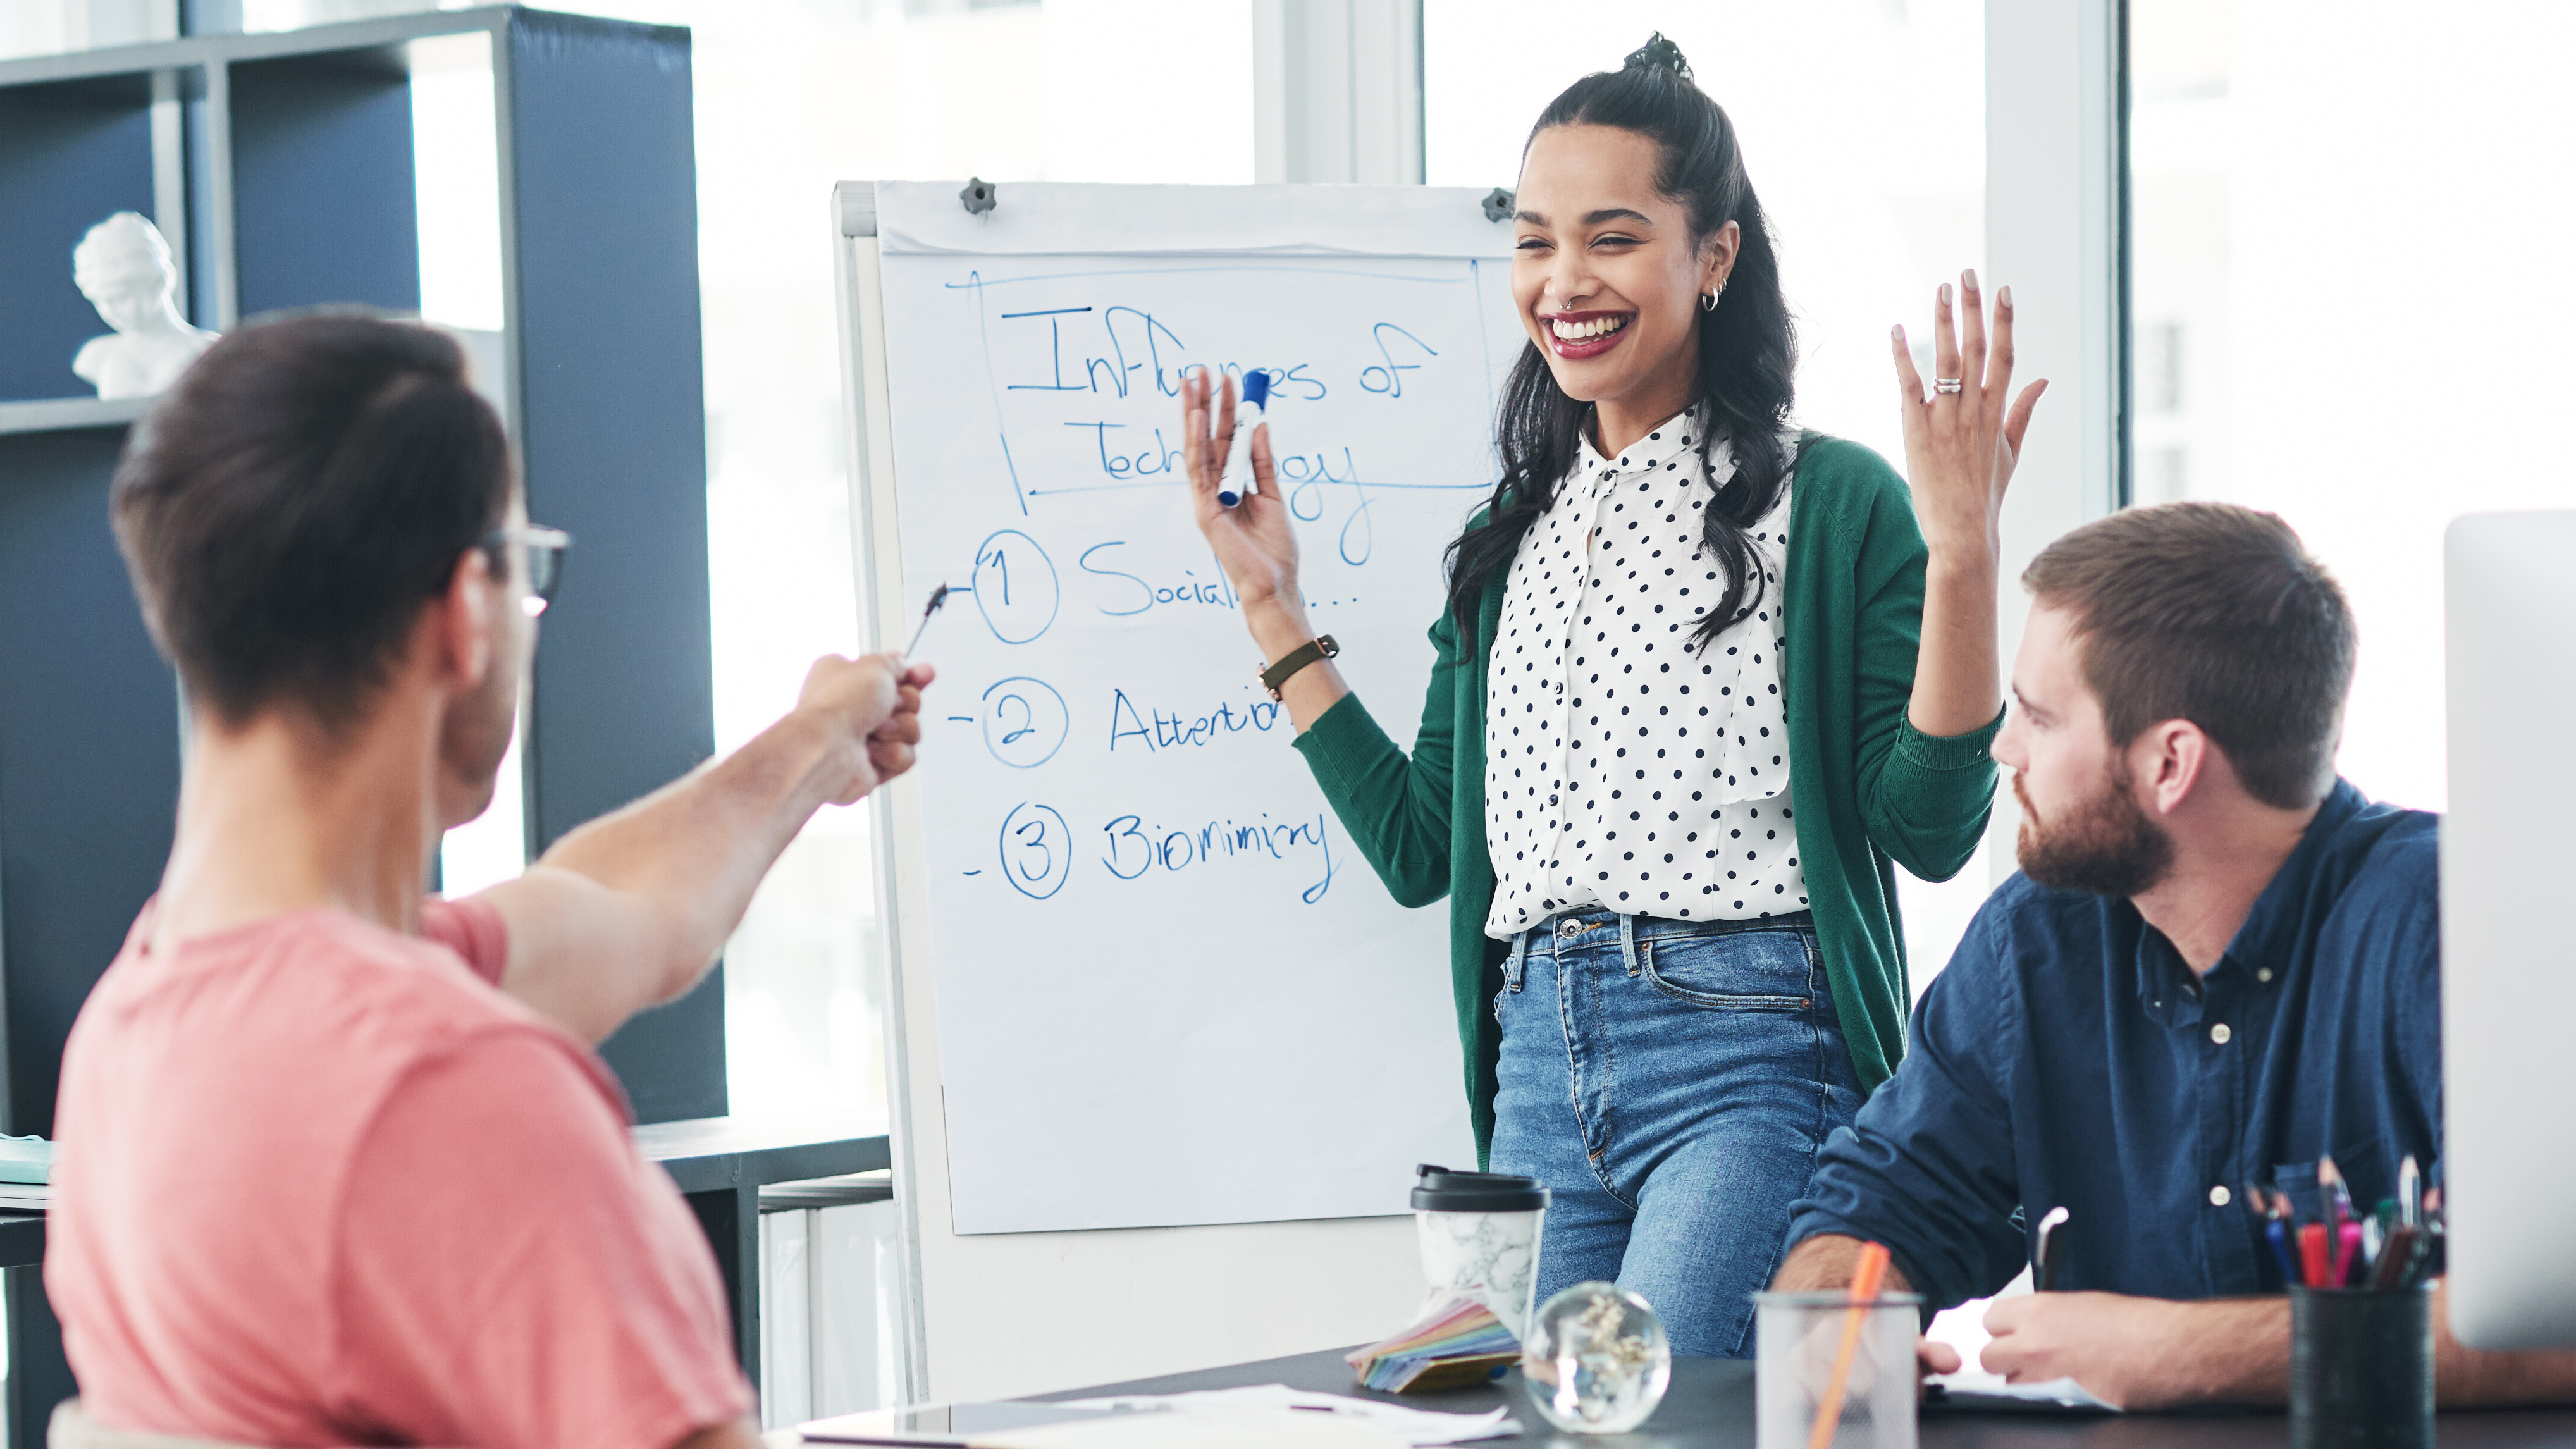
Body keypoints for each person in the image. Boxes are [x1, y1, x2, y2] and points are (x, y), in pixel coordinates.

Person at [1179, 35, 2044, 1357]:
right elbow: (1423, 848)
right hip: (1535, 1075)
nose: (1564, 282)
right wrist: (1272, 614)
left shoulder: (1833, 500)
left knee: (1661, 1424)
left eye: (1613, 237)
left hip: (1751, 1058)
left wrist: (1967, 556)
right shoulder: (1504, 540)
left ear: (1715, 257)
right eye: (1535, 242)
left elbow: (1928, 828)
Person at [46, 314, 934, 1449]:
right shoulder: (450, 1097)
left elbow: (622, 913)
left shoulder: (150, 1016)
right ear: (467, 611)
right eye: (528, 573)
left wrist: (816, 745)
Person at [1775, 503, 2576, 1408]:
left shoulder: (2451, 928)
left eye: (2037, 718)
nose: (2003, 748)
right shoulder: (2034, 942)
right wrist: (1846, 1322)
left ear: (2169, 764)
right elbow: (1871, 1205)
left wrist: (2180, 1351)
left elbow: (2557, 1324)